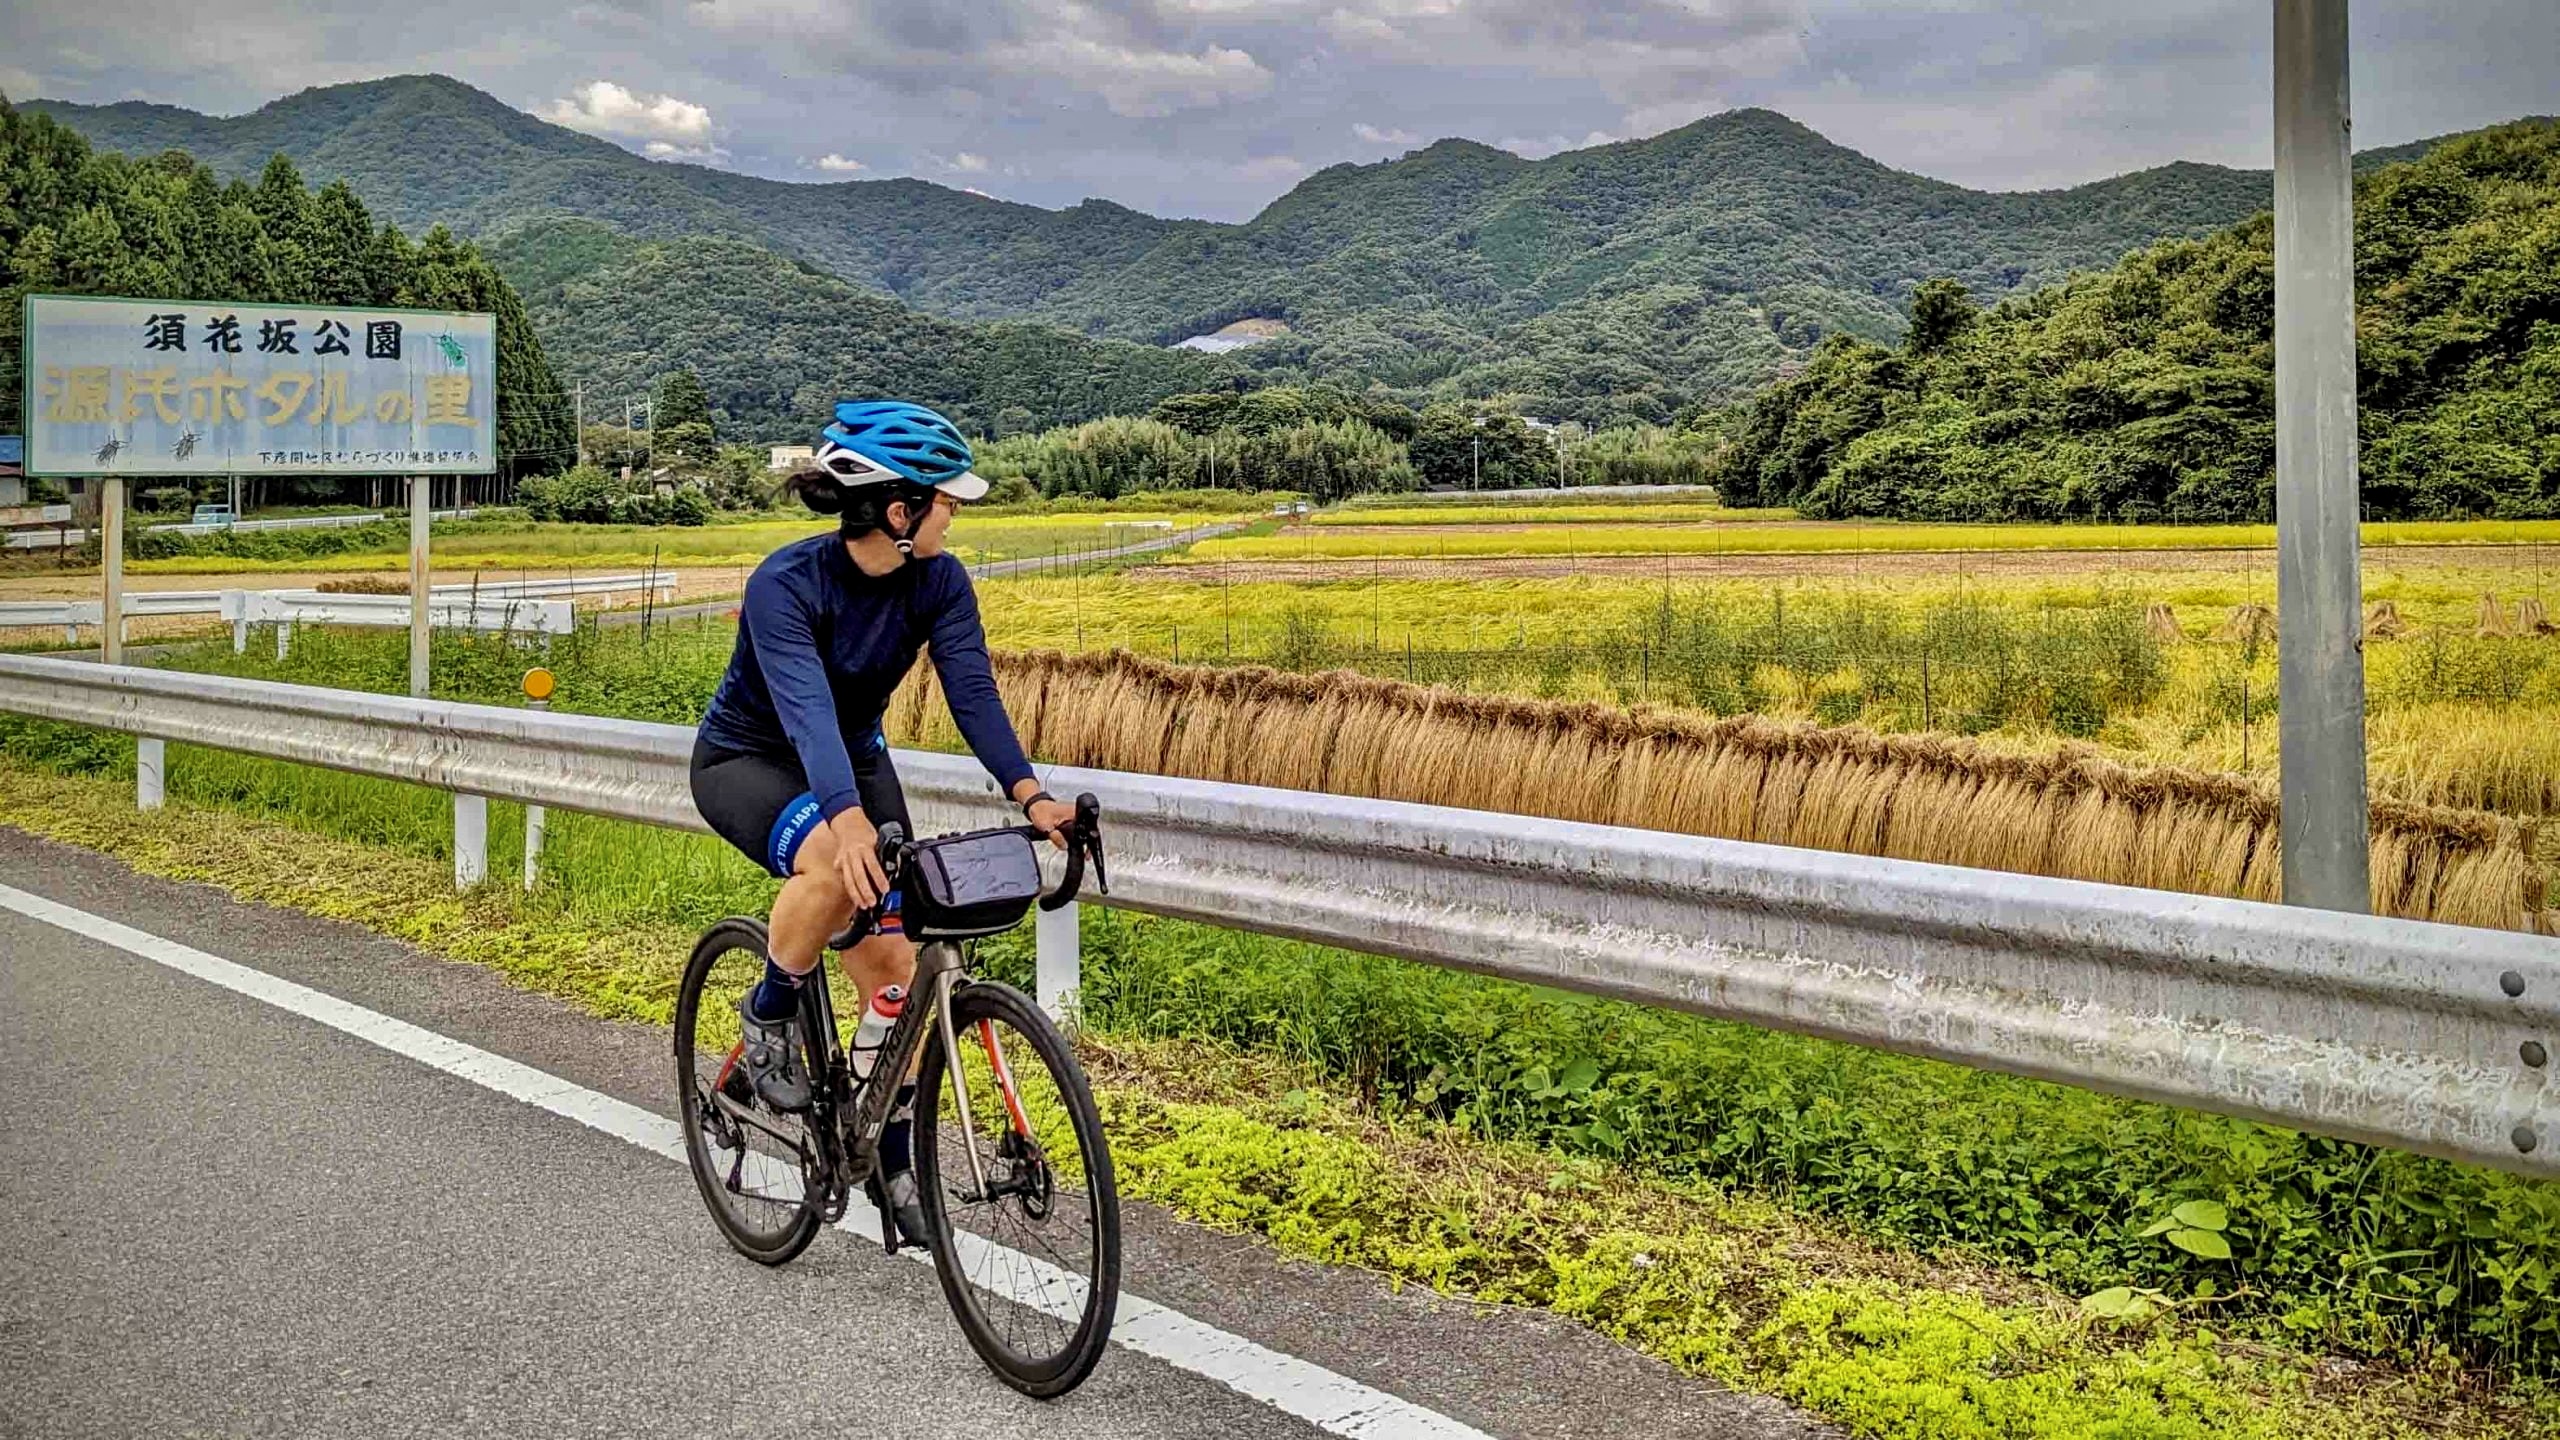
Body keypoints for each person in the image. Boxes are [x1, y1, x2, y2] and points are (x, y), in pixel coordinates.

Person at [690, 399, 1073, 1247]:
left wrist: (1030, 795)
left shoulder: (939, 580)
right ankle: (769, 1010)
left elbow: (971, 691)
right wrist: (847, 819)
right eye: (947, 499)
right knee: (833, 864)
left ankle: (891, 1157)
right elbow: (805, 714)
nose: (956, 513)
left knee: (896, 976)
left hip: (854, 759)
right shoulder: (785, 585)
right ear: (901, 511)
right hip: (752, 758)